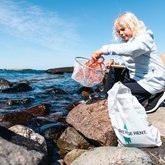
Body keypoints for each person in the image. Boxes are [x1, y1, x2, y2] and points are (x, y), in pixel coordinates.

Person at [91, 12, 165, 113]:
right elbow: (127, 62)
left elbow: (132, 49)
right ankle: (106, 97)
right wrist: (115, 61)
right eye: (118, 31)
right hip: (138, 78)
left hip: (151, 81)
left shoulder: (144, 38)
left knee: (119, 95)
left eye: (123, 29)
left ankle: (155, 95)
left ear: (133, 26)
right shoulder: (127, 43)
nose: (121, 33)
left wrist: (104, 50)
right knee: (115, 69)